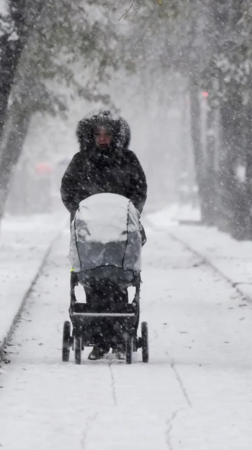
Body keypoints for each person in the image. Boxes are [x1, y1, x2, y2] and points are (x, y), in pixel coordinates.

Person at [61, 110, 147, 360]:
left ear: (116, 136)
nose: (102, 139)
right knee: (94, 285)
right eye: (97, 134)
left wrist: (132, 212)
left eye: (107, 134)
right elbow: (68, 190)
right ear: (89, 136)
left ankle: (119, 338)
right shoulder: (80, 161)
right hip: (90, 233)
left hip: (120, 232)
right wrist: (80, 211)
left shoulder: (128, 160)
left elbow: (139, 189)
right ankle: (100, 339)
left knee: (118, 284)